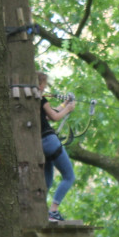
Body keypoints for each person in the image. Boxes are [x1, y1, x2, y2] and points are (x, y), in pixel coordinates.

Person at [37, 72, 77, 222]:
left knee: (47, 181)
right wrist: (68, 109)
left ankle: (42, 210)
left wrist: (64, 104)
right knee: (69, 176)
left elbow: (48, 114)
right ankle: (53, 210)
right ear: (41, 85)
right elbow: (54, 117)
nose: (45, 87)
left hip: (40, 144)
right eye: (45, 84)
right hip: (50, 141)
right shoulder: (41, 99)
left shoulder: (32, 100)